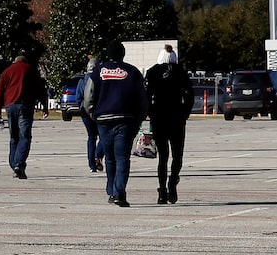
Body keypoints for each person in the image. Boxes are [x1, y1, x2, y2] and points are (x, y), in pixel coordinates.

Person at [78, 43, 146, 208]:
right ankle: (119, 192)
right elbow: (142, 98)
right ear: (123, 54)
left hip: (104, 120)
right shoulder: (132, 71)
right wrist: (139, 118)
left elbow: (88, 96)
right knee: (122, 157)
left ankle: (111, 189)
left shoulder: (98, 72)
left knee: (110, 158)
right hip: (125, 119)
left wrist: (94, 114)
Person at [141, 41, 192, 205]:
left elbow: (146, 95)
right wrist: (185, 112)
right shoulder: (180, 72)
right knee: (178, 155)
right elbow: (189, 95)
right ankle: (173, 181)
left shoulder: (152, 72)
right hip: (177, 117)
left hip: (158, 117)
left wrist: (148, 112)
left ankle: (162, 190)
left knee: (162, 156)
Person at [0, 48, 42, 179]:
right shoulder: (30, 69)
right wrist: (45, 106)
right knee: (25, 136)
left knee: (14, 137)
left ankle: (14, 164)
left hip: (10, 106)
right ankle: (19, 164)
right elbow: (40, 88)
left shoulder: (6, 72)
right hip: (25, 105)